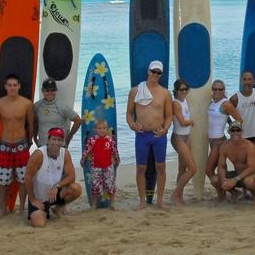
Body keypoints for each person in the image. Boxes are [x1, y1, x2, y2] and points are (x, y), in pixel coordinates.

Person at [126, 60, 173, 210]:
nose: (155, 75)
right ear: (148, 71)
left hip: (158, 136)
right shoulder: (135, 91)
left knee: (161, 167)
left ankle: (160, 200)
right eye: (153, 71)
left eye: (158, 73)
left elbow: (169, 115)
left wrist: (165, 129)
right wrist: (132, 125)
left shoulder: (165, 93)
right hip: (142, 135)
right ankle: (142, 201)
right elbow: (129, 113)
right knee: (141, 168)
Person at [0, 74, 35, 216]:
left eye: (14, 85)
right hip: (5, 145)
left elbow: (30, 123)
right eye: (9, 85)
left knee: (23, 179)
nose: (12, 88)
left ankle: (22, 207)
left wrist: (30, 140)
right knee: (3, 180)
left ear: (19, 86)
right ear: (5, 87)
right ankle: (3, 208)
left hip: (21, 144)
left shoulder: (27, 103)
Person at [25, 127, 82, 227]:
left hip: (55, 194)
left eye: (59, 140)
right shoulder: (39, 154)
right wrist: (33, 199)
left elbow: (72, 176)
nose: (56, 143)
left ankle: (57, 208)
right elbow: (28, 177)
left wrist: (57, 186)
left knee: (76, 188)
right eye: (54, 139)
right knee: (39, 224)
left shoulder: (65, 153)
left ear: (62, 142)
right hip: (39, 198)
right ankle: (43, 211)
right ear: (48, 140)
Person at [205, 80, 242, 201]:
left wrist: (233, 135)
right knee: (221, 170)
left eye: (220, 89)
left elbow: (239, 120)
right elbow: (226, 118)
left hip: (219, 142)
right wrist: (229, 122)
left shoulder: (226, 104)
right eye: (215, 89)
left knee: (209, 170)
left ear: (224, 90)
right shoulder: (212, 103)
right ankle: (224, 194)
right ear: (212, 90)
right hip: (212, 141)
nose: (217, 91)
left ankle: (231, 192)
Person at [229, 71, 255, 191]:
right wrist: (233, 129)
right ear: (241, 81)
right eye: (245, 79)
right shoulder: (235, 98)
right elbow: (225, 113)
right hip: (242, 137)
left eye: (249, 79)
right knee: (244, 165)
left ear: (253, 81)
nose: (247, 82)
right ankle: (246, 191)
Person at [215, 121, 255, 208]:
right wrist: (223, 180)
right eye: (233, 130)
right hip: (237, 174)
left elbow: (252, 168)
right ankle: (235, 193)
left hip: (251, 174)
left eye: (238, 130)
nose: (235, 133)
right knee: (215, 180)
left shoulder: (249, 146)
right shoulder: (225, 146)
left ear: (242, 132)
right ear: (229, 132)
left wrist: (235, 180)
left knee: (249, 181)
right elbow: (221, 166)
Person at [81, 120, 120, 210]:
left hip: (108, 166)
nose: (102, 130)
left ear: (107, 129)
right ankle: (94, 204)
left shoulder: (110, 140)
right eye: (100, 128)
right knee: (95, 187)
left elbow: (115, 151)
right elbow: (86, 150)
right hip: (95, 167)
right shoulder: (92, 140)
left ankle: (112, 203)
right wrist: (82, 160)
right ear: (95, 129)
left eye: (104, 128)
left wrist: (117, 160)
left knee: (110, 185)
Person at [33, 78, 82, 148]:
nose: (50, 92)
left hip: (59, 147)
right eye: (47, 90)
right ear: (42, 91)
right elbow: (35, 123)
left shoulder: (62, 106)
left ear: (56, 91)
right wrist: (34, 138)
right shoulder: (37, 106)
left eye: (53, 90)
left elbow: (78, 121)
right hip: (42, 146)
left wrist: (69, 137)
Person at [170, 79, 196, 206]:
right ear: (176, 91)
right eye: (181, 89)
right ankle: (175, 194)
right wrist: (192, 121)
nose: (184, 91)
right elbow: (182, 122)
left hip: (187, 137)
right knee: (193, 169)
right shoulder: (176, 104)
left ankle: (179, 196)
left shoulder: (184, 101)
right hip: (178, 138)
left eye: (186, 89)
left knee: (182, 168)